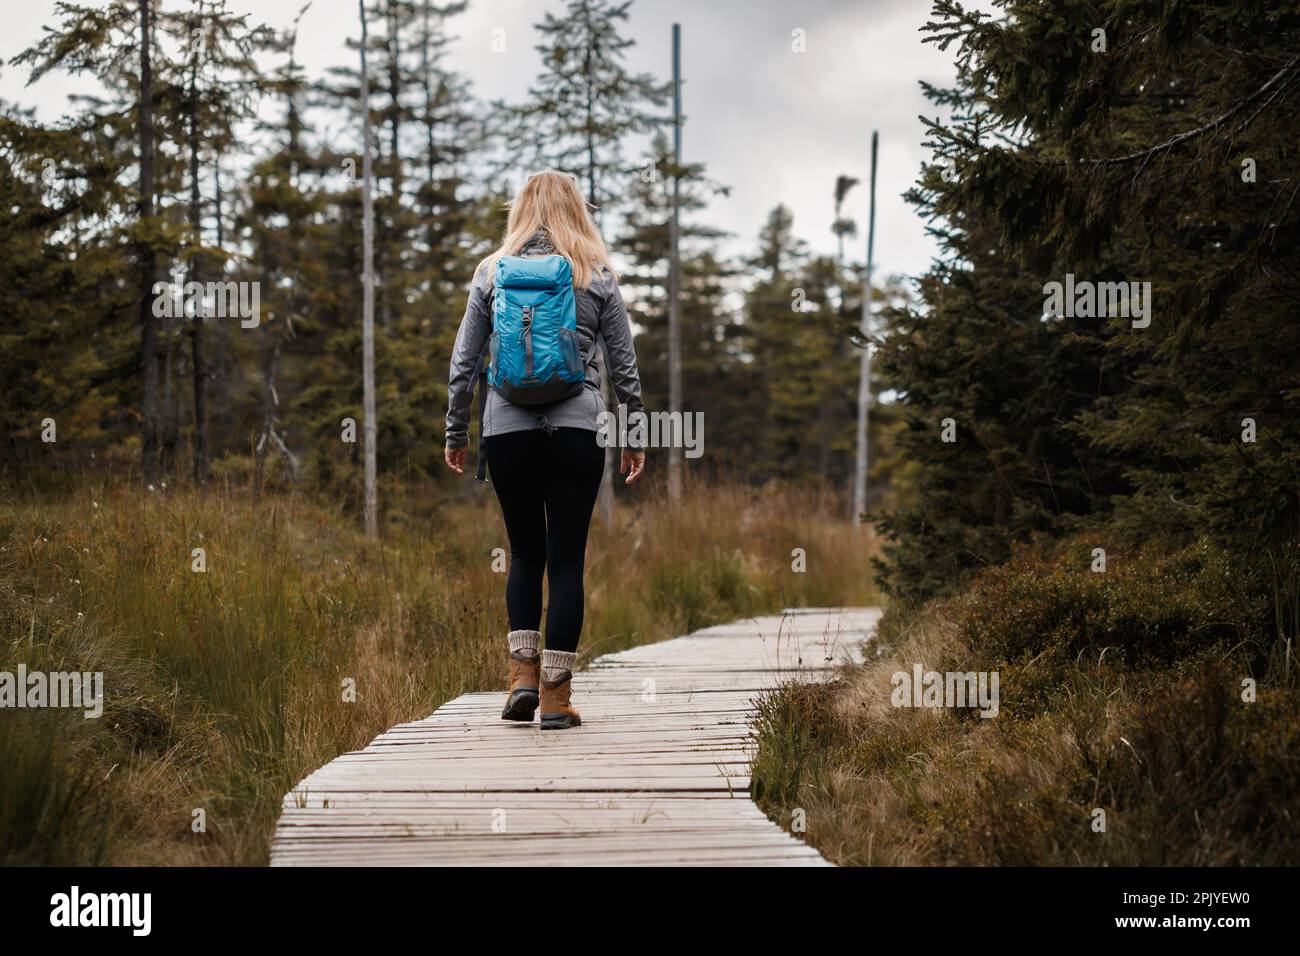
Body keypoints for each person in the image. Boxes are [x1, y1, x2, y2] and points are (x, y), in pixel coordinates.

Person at [444, 170, 645, 730]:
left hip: (507, 430)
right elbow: (624, 368)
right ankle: (556, 699)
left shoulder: (492, 271)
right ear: (576, 209)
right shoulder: (596, 272)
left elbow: (464, 363)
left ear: (520, 210)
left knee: (524, 553)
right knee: (566, 561)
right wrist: (632, 436)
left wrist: (455, 433)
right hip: (578, 429)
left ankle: (521, 680)